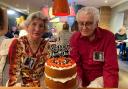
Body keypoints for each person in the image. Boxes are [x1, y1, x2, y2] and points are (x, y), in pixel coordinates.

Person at [69, 7, 119, 88]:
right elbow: (75, 64)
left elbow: (110, 68)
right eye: (81, 23)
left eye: (89, 23)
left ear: (96, 23)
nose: (84, 28)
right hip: (82, 77)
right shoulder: (74, 38)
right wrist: (78, 81)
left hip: (101, 78)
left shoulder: (108, 37)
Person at [7, 11, 49, 87]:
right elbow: (14, 73)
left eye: (41, 26)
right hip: (21, 85)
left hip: (41, 85)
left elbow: (49, 72)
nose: (37, 29)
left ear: (44, 29)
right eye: (34, 24)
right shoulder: (18, 44)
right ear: (27, 26)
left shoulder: (47, 45)